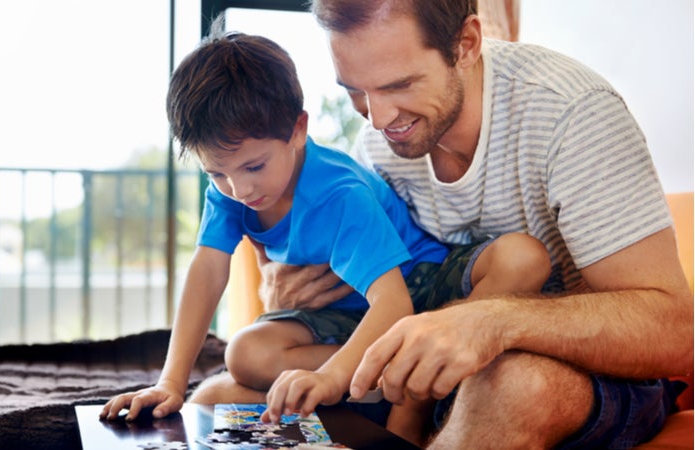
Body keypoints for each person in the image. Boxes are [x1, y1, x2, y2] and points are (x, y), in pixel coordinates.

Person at [196, 1, 694, 449]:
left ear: (467, 44)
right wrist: (296, 293)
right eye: (355, 92)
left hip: (585, 372)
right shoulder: (380, 145)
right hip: (427, 367)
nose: (377, 117)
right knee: (217, 394)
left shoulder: (570, 114)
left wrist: (493, 322)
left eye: (399, 85)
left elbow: (677, 334)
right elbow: (371, 281)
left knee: (511, 387)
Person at [99, 20, 553, 438]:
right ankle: (376, 379)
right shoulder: (232, 188)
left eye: (254, 166)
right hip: (348, 312)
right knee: (244, 355)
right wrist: (171, 382)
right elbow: (208, 270)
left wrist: (333, 377)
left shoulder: (339, 192)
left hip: (421, 291)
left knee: (523, 257)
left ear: (298, 130)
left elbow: (393, 302)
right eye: (216, 173)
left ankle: (412, 398)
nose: (239, 188)